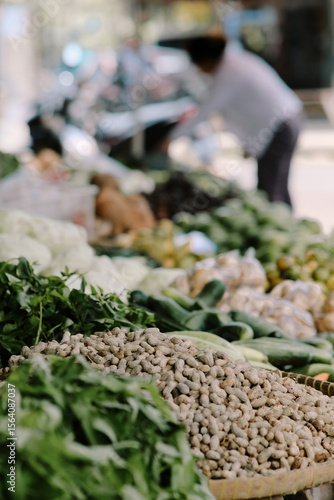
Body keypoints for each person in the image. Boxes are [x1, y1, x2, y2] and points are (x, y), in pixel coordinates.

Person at [168, 35, 304, 208]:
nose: (200, 70)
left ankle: (283, 227)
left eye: (199, 65)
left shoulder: (229, 72)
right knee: (275, 185)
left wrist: (171, 138)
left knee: (272, 188)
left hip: (280, 125)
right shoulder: (235, 62)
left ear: (206, 59)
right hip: (284, 121)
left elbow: (205, 110)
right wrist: (252, 145)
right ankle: (285, 223)